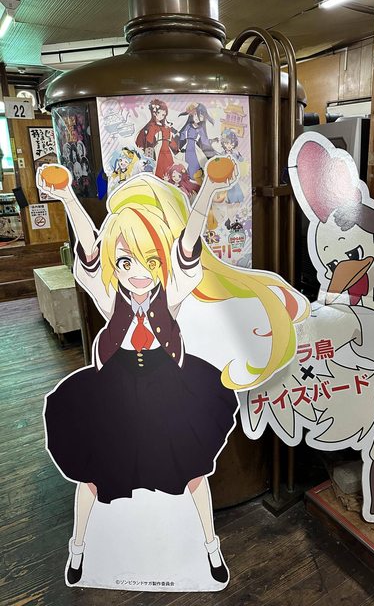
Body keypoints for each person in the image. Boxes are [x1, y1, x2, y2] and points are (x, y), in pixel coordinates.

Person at [36, 159, 307, 588]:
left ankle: (210, 548)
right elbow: (89, 248)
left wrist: (209, 190)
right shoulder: (109, 293)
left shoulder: (172, 290)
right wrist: (67, 196)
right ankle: (79, 548)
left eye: (149, 260)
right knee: (94, 474)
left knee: (193, 471)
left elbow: (188, 244)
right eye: (126, 262)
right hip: (115, 386)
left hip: (168, 382)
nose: (138, 274)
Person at [135, 99, 178, 179]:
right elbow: (149, 142)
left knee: (169, 170)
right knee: (158, 169)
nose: (162, 117)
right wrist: (149, 157)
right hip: (157, 151)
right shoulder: (151, 127)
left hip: (167, 152)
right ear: (154, 113)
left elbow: (171, 141)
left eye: (163, 115)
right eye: (160, 114)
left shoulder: (166, 128)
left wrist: (177, 149)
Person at [178, 103, 216, 179]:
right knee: (186, 161)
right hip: (187, 146)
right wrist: (180, 144)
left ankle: (194, 177)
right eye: (195, 114)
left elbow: (204, 140)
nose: (197, 117)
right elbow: (182, 133)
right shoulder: (188, 126)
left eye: (200, 116)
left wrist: (210, 148)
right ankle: (187, 177)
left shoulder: (200, 128)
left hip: (194, 147)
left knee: (195, 161)